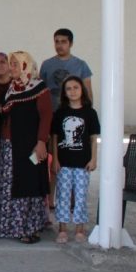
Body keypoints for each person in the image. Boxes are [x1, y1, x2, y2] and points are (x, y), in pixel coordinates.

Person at [0, 51, 52, 244]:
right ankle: (8, 227)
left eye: (16, 64)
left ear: (26, 65)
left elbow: (46, 116)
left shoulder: (38, 87)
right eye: (12, 64)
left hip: (29, 146)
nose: (12, 67)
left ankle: (28, 228)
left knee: (28, 184)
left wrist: (42, 141)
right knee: (8, 185)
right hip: (9, 147)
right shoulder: (12, 89)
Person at [51, 76, 100, 244]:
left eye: (75, 87)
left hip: (83, 163)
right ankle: (63, 228)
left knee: (80, 196)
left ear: (82, 90)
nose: (72, 91)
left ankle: (80, 228)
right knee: (63, 195)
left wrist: (94, 158)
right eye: (68, 89)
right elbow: (55, 138)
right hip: (64, 163)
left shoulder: (90, 113)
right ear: (64, 93)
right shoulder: (60, 113)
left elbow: (93, 139)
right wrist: (55, 159)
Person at [40, 28, 93, 110]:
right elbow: (41, 92)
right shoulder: (46, 64)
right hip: (51, 113)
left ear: (71, 44)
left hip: (73, 113)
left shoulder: (81, 65)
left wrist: (87, 112)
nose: (59, 45)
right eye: (57, 42)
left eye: (63, 42)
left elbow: (88, 93)